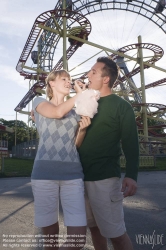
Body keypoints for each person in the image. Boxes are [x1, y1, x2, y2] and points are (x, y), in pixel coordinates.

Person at [78, 56, 139, 250]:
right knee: (94, 228)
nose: (88, 74)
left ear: (106, 79)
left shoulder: (121, 106)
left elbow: (131, 143)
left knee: (116, 234)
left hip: (104, 179)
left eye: (93, 72)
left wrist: (131, 175)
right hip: (78, 178)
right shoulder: (84, 102)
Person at [31, 69, 91, 250]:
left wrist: (82, 130)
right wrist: (81, 95)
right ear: (51, 83)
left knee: (78, 241)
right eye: (64, 79)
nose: (69, 82)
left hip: (72, 175)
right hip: (43, 175)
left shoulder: (75, 113)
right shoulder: (38, 102)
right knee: (50, 241)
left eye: (70, 80)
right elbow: (57, 112)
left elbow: (75, 145)